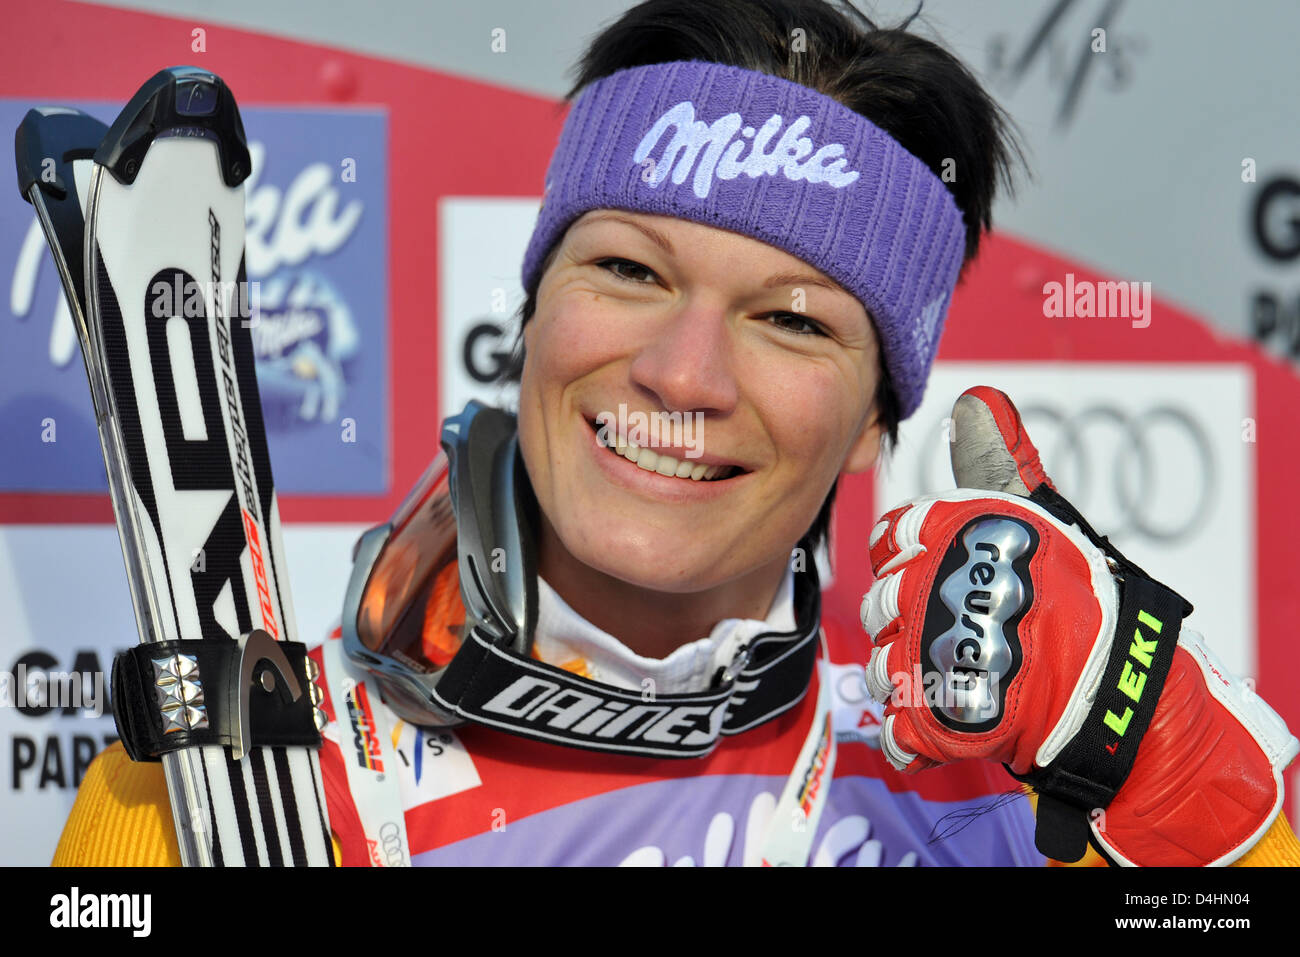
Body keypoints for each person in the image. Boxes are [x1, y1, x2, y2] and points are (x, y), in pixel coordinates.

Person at [54, 0, 1298, 867]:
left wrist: (1158, 765)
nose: (682, 373)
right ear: (532, 314)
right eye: (630, 270)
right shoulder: (245, 766)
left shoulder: (985, 806)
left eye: (792, 324)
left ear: (875, 425)